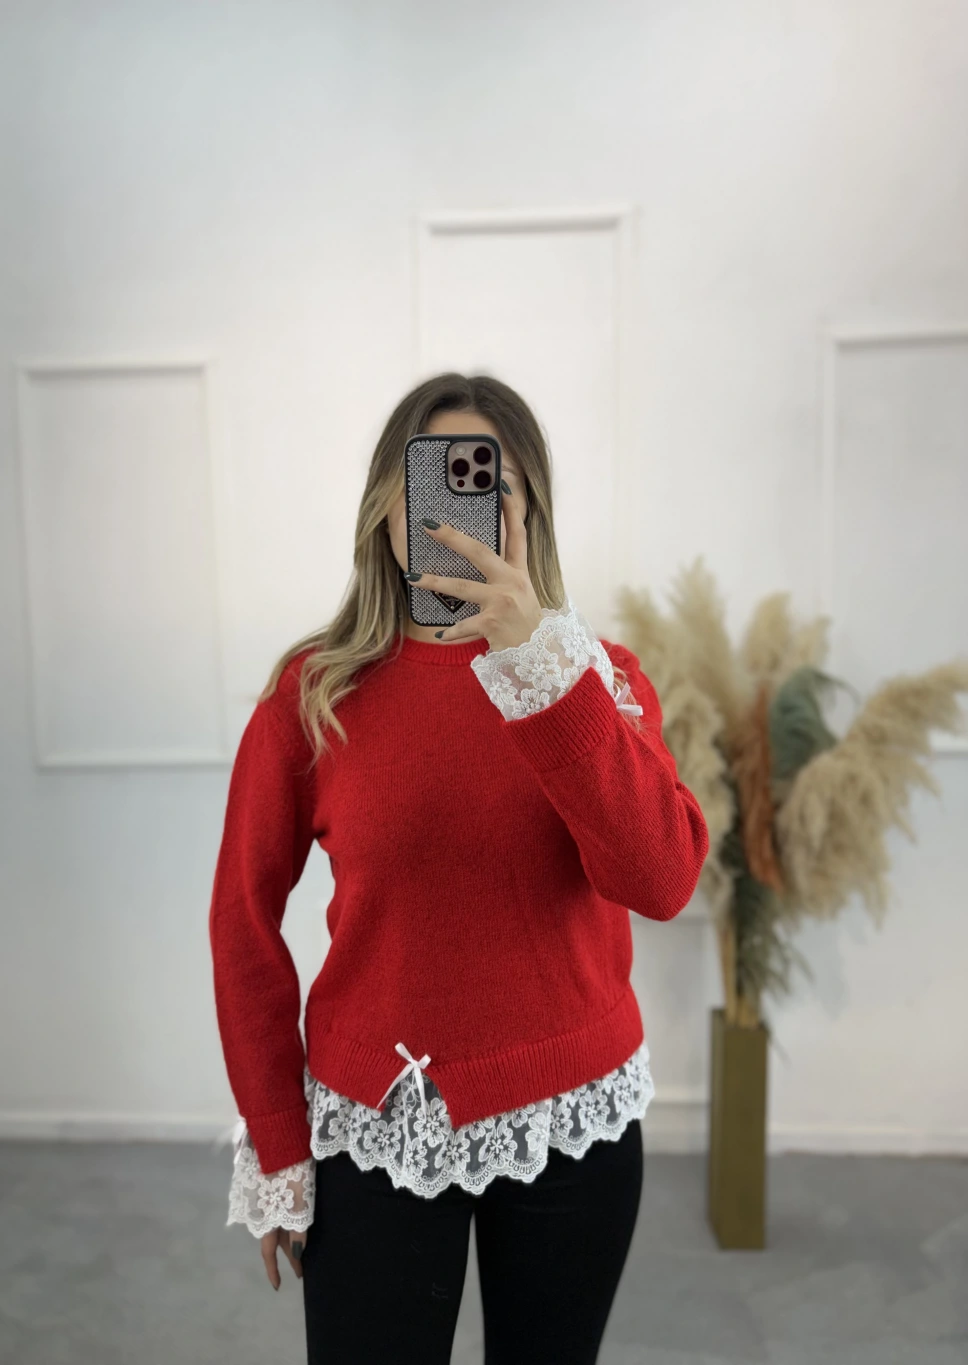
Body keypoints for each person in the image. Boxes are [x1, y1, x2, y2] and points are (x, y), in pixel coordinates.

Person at [208, 372, 709, 1364]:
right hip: (374, 1125)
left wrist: (544, 671)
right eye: (428, 482)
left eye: (489, 485)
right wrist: (276, 1140)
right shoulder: (315, 692)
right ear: (384, 510)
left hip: (572, 1125)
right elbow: (242, 924)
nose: (452, 512)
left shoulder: (599, 678)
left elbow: (660, 880)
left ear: (528, 518)